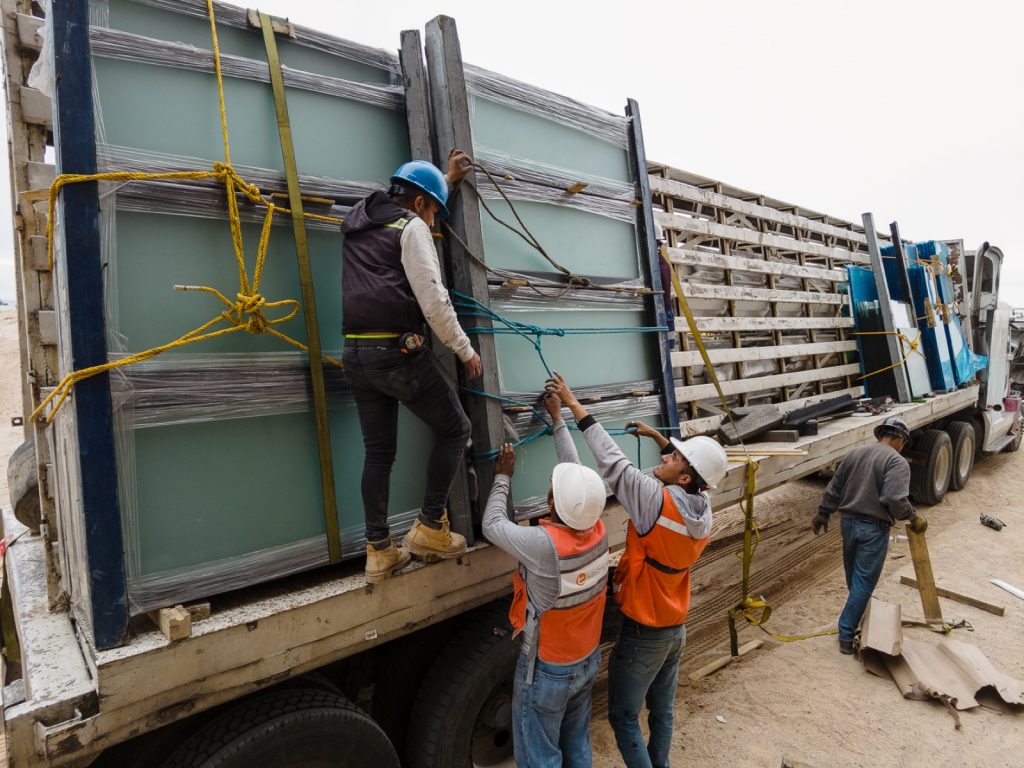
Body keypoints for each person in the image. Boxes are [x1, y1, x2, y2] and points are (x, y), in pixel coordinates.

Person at [544, 373, 727, 768]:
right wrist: (660, 438)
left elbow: (612, 462)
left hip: (645, 630)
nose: (665, 457)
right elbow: (690, 476)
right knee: (662, 711)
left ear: (684, 477)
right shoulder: (704, 509)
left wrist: (572, 405)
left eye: (673, 458)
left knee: (623, 717)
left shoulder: (654, 501)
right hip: (675, 627)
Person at [341, 150, 482, 584]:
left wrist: (446, 181)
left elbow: (412, 200)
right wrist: (465, 350)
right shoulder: (412, 227)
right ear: (420, 203)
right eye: (434, 211)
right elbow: (434, 301)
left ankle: (379, 550)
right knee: (456, 428)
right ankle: (429, 527)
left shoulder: (360, 219)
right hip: (396, 355)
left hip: (356, 355)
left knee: (378, 452)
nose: (434, 222)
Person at [481, 390, 608, 768]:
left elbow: (492, 525)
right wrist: (557, 420)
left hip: (550, 672)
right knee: (576, 743)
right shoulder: (597, 528)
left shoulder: (544, 545)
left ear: (552, 505)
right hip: (587, 660)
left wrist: (502, 478)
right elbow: (577, 480)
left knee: (541, 757)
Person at [812, 416, 927, 654]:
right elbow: (894, 498)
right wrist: (913, 517)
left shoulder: (854, 454)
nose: (902, 446)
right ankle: (846, 635)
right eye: (903, 442)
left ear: (881, 434)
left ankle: (855, 621)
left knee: (855, 580)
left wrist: (823, 513)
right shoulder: (897, 462)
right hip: (873, 528)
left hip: (848, 523)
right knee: (863, 583)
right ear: (900, 438)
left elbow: (835, 487)